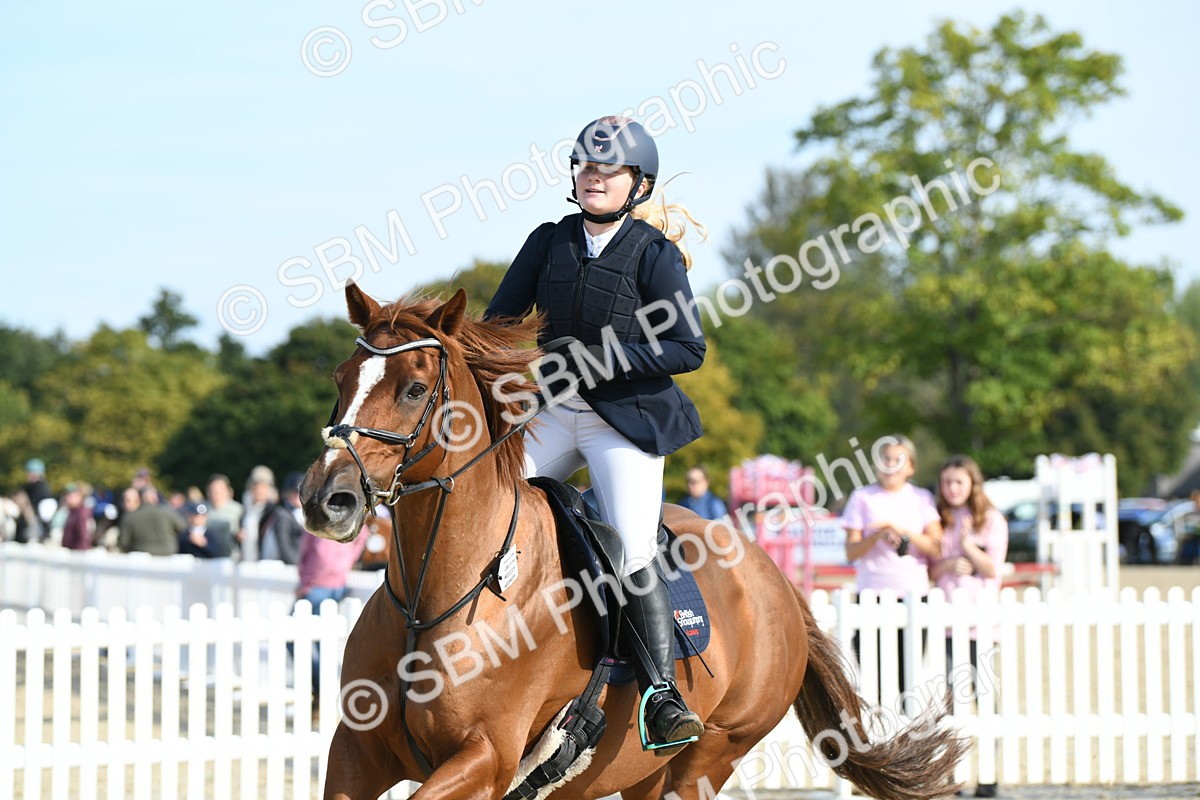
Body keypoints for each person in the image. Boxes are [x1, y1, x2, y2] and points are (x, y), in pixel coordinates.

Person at [485, 116, 707, 752]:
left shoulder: (653, 253)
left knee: (632, 549)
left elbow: (687, 348)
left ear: (637, 184)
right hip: (552, 411)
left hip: (624, 420)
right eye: (585, 167)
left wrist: (602, 358)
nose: (593, 177)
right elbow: (499, 324)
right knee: (491, 506)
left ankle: (660, 694)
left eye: (607, 170)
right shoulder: (549, 241)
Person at [841, 435, 942, 700]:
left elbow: (935, 546)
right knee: (871, 670)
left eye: (898, 459)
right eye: (885, 458)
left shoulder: (922, 498)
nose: (891, 465)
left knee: (907, 672)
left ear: (911, 467)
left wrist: (902, 531)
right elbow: (851, 551)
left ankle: (907, 730)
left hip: (911, 592)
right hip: (871, 590)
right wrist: (876, 535)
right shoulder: (862, 497)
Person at [294, 512, 367, 693]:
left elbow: (315, 554)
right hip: (335, 583)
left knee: (299, 638)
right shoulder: (348, 516)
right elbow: (361, 535)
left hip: (318, 585)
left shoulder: (321, 517)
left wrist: (307, 582)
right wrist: (346, 562)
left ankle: (320, 687)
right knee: (321, 641)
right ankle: (323, 687)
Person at [257, 472, 307, 565]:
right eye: (293, 492)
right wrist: (298, 565)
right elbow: (284, 547)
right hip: (289, 567)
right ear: (286, 493)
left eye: (300, 493)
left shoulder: (308, 515)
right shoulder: (282, 515)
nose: (297, 496)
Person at [117, 486, 183, 556]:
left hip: (140, 555)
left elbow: (124, 542)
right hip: (167, 553)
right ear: (155, 498)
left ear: (140, 498)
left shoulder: (130, 516)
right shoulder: (167, 512)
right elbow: (183, 528)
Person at [239, 465, 277, 561]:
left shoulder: (274, 512)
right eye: (255, 488)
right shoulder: (245, 512)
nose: (259, 491)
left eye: (263, 487)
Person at [205, 474, 243, 557]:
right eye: (212, 490)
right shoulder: (203, 510)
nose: (215, 493)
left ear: (227, 491)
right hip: (209, 557)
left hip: (232, 557)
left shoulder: (238, 510)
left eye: (219, 490)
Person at [60, 483, 95, 550]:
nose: (67, 498)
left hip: (77, 554)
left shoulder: (82, 513)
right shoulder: (72, 511)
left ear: (79, 496)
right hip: (70, 551)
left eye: (70, 496)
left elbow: (84, 536)